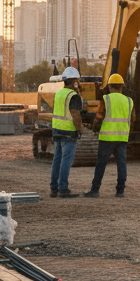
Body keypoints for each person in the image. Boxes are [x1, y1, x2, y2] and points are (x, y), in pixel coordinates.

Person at [83, 73, 134, 197]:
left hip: (107, 138)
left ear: (110, 86)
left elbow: (99, 117)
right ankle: (120, 191)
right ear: (121, 87)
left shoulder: (106, 99)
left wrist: (94, 128)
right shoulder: (129, 101)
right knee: (121, 164)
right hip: (122, 137)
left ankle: (95, 190)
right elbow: (132, 119)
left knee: (101, 163)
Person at [49, 66, 84, 198]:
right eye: (77, 81)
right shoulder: (73, 96)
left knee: (57, 159)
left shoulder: (59, 93)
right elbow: (75, 114)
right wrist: (79, 129)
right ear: (74, 81)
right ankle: (63, 188)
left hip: (57, 130)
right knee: (66, 160)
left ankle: (54, 188)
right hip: (68, 132)